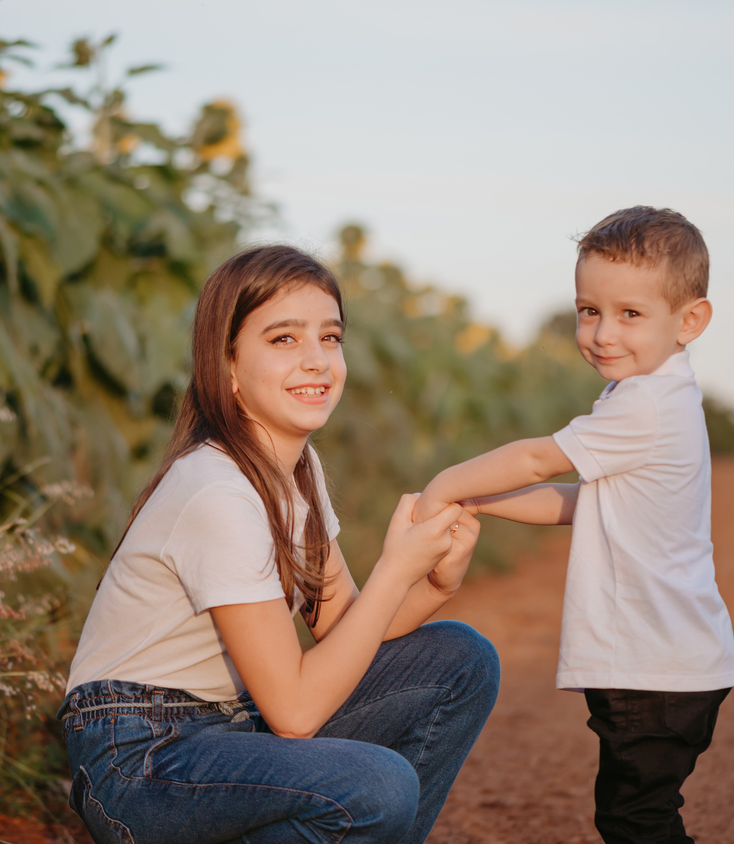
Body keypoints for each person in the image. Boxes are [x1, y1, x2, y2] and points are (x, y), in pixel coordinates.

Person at [59, 245, 499, 844]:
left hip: (229, 728)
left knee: (461, 659)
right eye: (284, 339)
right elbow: (293, 713)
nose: (317, 360)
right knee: (378, 784)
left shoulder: (297, 468)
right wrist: (395, 570)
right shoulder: (217, 491)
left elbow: (343, 625)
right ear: (228, 365)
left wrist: (434, 583)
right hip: (140, 755)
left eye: (330, 337)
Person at [412, 207, 734, 843]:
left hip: (653, 667)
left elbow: (539, 459)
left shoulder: (646, 404)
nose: (602, 333)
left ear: (689, 321)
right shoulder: (656, 393)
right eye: (589, 310)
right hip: (663, 663)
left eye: (630, 313)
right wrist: (481, 501)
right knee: (639, 816)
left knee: (635, 821)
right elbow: (579, 500)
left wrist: (446, 484)